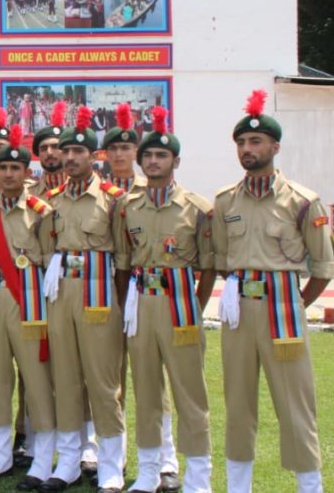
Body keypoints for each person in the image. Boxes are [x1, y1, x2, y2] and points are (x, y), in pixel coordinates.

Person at [212, 89, 334, 493]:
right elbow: (220, 259)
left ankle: (309, 486)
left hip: (283, 310)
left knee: (295, 405)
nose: (248, 149)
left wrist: (297, 303)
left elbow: (322, 267)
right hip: (238, 313)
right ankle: (238, 486)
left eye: (256, 141)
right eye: (242, 143)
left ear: (275, 146)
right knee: (238, 403)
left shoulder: (303, 201)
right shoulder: (226, 201)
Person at [111, 107, 215, 493]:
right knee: (146, 390)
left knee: (191, 393)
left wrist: (194, 306)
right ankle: (150, 471)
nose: (154, 162)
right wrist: (128, 305)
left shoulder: (198, 208)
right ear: (140, 162)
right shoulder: (126, 206)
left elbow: (209, 267)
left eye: (162, 156)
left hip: (180, 305)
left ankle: (198, 478)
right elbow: (123, 263)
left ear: (176, 161)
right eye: (149, 156)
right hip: (141, 302)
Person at [40, 108, 126, 493]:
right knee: (66, 378)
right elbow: (46, 250)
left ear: (94, 157)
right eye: (67, 150)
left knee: (103, 382)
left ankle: (110, 463)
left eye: (79, 151)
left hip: (99, 295)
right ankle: (70, 459)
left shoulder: (113, 199)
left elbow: (123, 257)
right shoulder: (51, 201)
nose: (71, 157)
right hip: (62, 294)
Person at [0, 127, 57, 489]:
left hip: (30, 298)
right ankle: (0, 455)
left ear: (26, 173)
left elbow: (51, 262)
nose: (8, 174)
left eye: (15, 168)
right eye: (2, 167)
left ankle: (42, 454)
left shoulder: (41, 211)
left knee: (36, 379)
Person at [103, 103, 181, 492]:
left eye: (126, 148)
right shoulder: (98, 191)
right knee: (107, 384)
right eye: (113, 149)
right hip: (105, 300)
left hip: (145, 299)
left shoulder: (147, 193)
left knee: (154, 381)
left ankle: (165, 462)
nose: (120, 155)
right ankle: (109, 463)